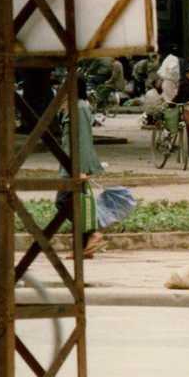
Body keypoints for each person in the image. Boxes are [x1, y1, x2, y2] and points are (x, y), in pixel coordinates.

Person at [55, 76, 106, 257]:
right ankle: (83, 248)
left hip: (76, 166)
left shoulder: (79, 107)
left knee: (62, 202)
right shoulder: (72, 106)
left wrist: (82, 169)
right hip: (70, 165)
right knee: (77, 204)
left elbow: (83, 140)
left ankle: (92, 233)